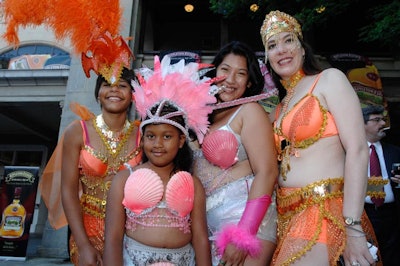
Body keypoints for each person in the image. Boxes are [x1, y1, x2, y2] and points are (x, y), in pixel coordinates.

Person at [261, 10, 378, 266]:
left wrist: (353, 225)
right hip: (285, 217)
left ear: (303, 48)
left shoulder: (329, 80)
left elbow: (358, 149)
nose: (281, 49)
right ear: (268, 58)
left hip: (322, 209)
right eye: (272, 45)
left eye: (288, 40)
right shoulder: (278, 108)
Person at [103, 55, 215, 265]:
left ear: (181, 140)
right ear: (142, 139)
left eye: (167, 136)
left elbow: (200, 238)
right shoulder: (123, 179)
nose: (158, 144)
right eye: (151, 136)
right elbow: (113, 238)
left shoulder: (193, 184)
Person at [191, 41, 279, 265]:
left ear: (249, 82)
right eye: (225, 70)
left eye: (241, 74)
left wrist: (243, 236)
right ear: (214, 72)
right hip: (206, 230)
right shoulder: (200, 116)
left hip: (249, 226)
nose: (230, 80)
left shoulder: (250, 111)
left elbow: (267, 172)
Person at [61, 67, 142, 266]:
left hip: (133, 232)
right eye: (107, 85)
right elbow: (68, 191)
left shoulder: (144, 134)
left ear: (133, 95)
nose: (114, 90)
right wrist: (83, 244)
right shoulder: (77, 132)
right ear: (98, 93)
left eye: (122, 86)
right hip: (87, 232)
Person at [362, 105, 400, 266]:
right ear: (362, 124)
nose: (383, 123)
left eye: (383, 119)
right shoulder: (351, 152)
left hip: (393, 215)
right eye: (377, 120)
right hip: (365, 214)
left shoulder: (395, 151)